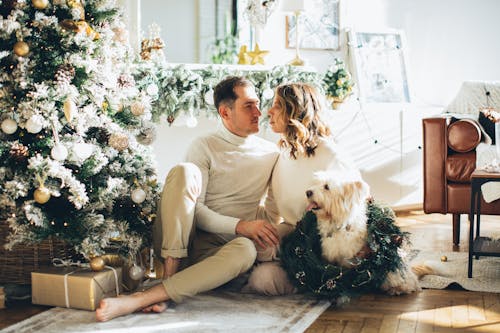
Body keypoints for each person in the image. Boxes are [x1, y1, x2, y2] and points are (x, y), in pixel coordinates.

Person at [96, 76, 283, 321]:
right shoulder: (204, 145)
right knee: (185, 172)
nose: (259, 112)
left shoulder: (271, 152)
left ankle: (151, 295)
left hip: (221, 253)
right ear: (225, 112)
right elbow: (198, 210)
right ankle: (169, 277)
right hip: (183, 238)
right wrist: (241, 225)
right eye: (248, 106)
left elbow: (274, 207)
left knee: (246, 250)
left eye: (257, 104)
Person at [243, 82, 359, 295]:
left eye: (277, 105)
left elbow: (357, 207)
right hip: (291, 234)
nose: (269, 111)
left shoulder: (330, 154)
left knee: (262, 280)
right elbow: (273, 211)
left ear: (295, 111)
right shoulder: (283, 154)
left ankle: (315, 277)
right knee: (248, 247)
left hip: (323, 243)